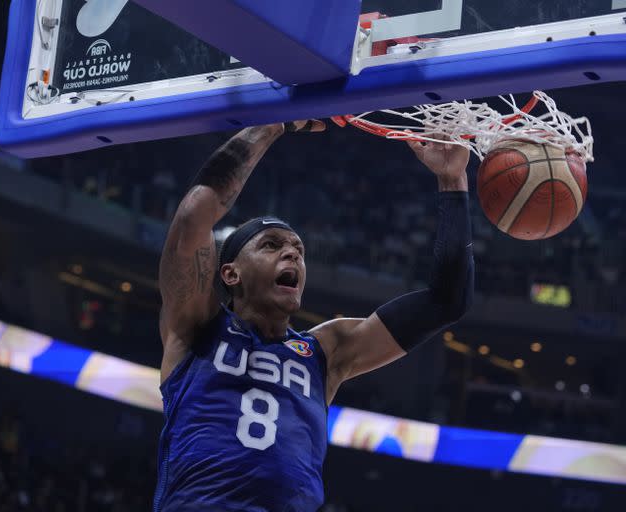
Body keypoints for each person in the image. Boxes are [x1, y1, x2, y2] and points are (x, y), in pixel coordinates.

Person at [153, 120, 474, 512]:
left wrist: (452, 180)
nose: (292, 254)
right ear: (230, 272)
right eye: (271, 245)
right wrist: (270, 125)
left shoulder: (326, 351)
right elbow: (192, 217)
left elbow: (447, 300)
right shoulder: (196, 325)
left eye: (299, 250)